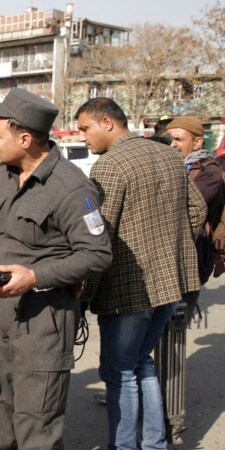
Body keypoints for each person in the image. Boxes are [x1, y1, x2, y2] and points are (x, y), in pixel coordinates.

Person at [0, 87, 112, 449]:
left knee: (36, 422)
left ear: (24, 138)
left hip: (44, 318)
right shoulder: (7, 173)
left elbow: (97, 254)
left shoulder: (72, 187)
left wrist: (35, 276)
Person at [75, 98, 206, 450]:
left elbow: (99, 237)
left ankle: (127, 445)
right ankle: (154, 443)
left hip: (128, 289)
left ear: (107, 122)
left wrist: (84, 297)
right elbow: (197, 209)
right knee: (139, 365)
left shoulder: (109, 166)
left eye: (85, 129)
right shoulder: (167, 155)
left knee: (120, 373)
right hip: (172, 282)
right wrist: (170, 248)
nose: (83, 137)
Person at [166, 116, 224, 289]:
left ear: (198, 142)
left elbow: (181, 204)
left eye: (178, 139)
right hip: (169, 254)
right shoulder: (174, 165)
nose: (172, 144)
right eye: (169, 139)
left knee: (177, 313)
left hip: (193, 254)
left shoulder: (210, 172)